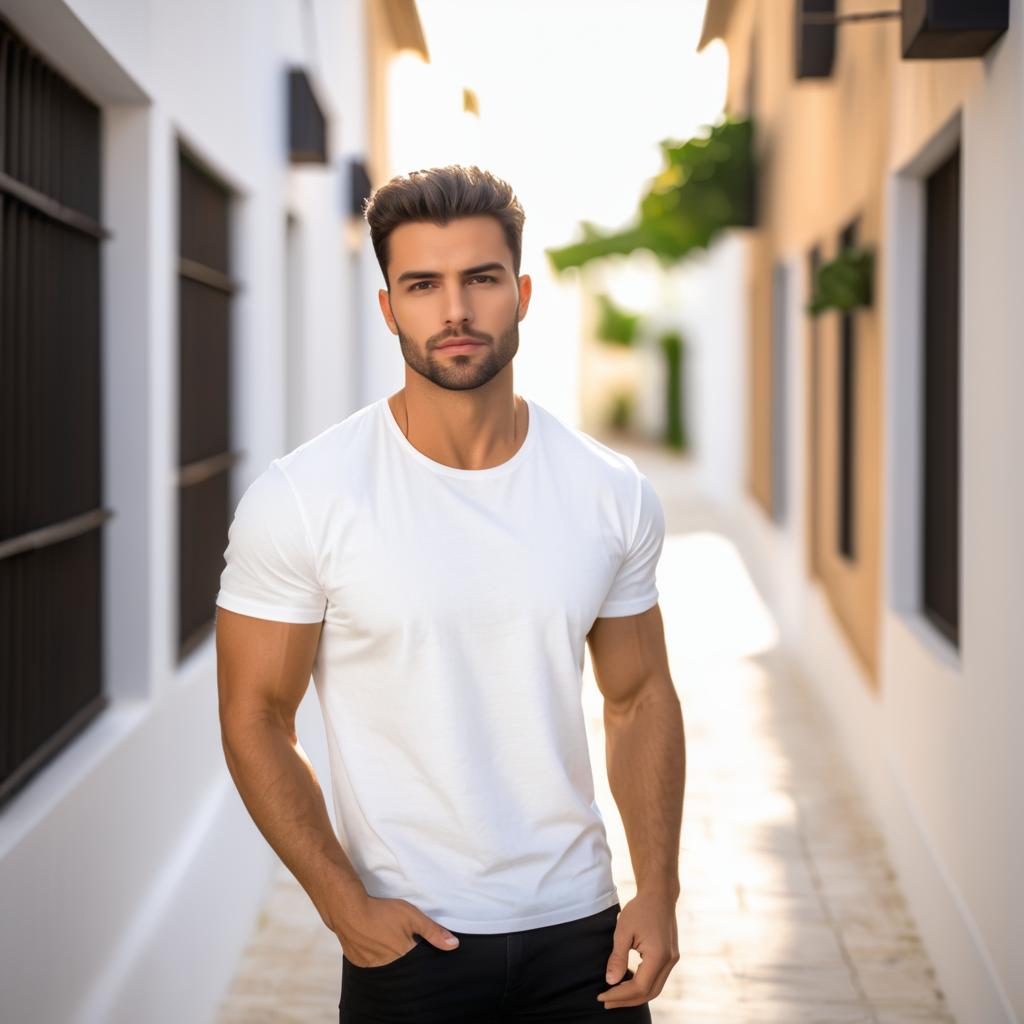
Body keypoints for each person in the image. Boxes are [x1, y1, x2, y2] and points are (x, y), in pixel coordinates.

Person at [215, 165, 685, 1023]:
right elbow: (255, 716)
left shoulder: (608, 492)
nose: (456, 311)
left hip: (582, 933)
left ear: (523, 292)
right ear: (389, 307)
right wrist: (343, 907)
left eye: (481, 279)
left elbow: (639, 695)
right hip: (410, 942)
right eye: (423, 285)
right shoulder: (307, 497)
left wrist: (660, 887)